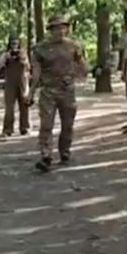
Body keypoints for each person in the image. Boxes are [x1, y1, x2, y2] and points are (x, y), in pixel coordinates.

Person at [31, 15, 87, 172]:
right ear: (51, 30)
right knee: (46, 124)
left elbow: (82, 64)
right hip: (48, 91)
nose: (59, 31)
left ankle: (65, 152)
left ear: (67, 28)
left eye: (62, 27)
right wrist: (31, 92)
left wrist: (82, 74)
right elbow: (36, 72)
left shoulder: (73, 46)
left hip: (67, 91)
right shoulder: (41, 48)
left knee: (67, 125)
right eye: (56, 28)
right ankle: (46, 155)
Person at [0, 33, 31, 136]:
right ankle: (7, 129)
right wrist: (6, 58)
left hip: (22, 82)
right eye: (12, 43)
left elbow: (28, 67)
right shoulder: (5, 54)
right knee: (9, 108)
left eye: (16, 43)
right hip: (10, 84)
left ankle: (24, 128)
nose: (14, 46)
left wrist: (22, 58)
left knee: (24, 106)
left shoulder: (23, 54)